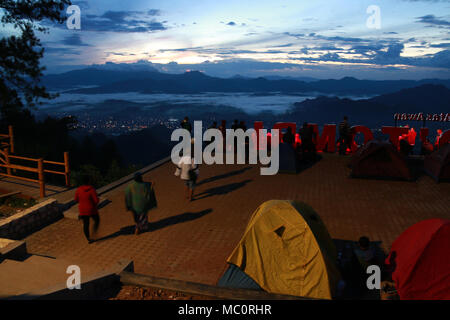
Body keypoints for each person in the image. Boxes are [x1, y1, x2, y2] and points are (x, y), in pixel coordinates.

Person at [75, 175, 100, 244]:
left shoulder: (79, 189)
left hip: (82, 210)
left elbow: (76, 199)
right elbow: (96, 201)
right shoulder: (92, 190)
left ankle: (88, 238)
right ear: (89, 181)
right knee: (97, 220)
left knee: (86, 224)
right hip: (92, 209)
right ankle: (94, 233)